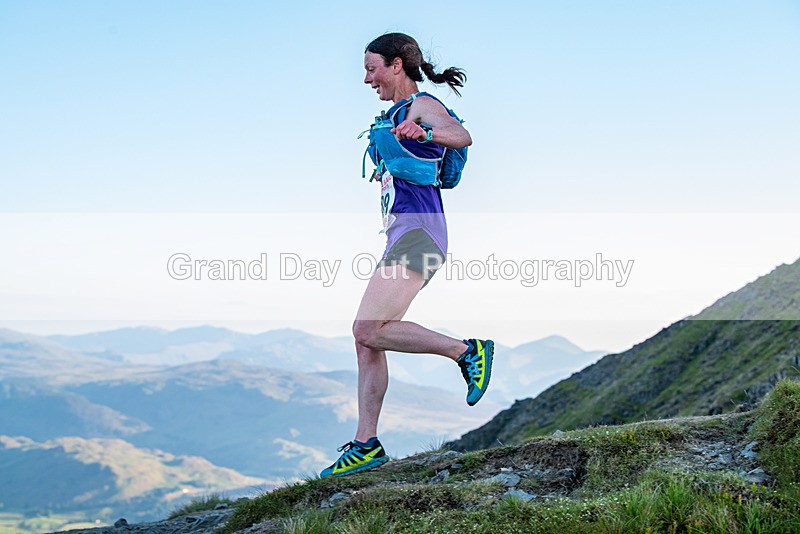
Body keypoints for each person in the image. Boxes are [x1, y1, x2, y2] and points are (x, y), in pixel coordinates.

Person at [320, 33, 494, 478]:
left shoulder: (422, 105)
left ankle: (466, 351)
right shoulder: (394, 113)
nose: (366, 78)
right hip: (404, 234)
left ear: (396, 65)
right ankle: (366, 445)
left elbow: (463, 135)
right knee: (366, 339)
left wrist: (428, 131)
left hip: (420, 233)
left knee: (367, 327)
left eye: (371, 68)